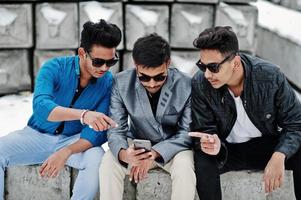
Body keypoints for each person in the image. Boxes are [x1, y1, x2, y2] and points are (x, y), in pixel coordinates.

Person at [0, 19, 121, 200]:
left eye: (111, 61)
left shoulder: (108, 82)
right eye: (98, 61)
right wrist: (83, 115)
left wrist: (66, 151)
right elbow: (41, 107)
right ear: (82, 53)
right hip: (35, 135)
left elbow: (98, 133)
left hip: (75, 141)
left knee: (97, 158)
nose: (104, 68)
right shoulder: (54, 68)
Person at [189, 26, 301, 200]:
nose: (207, 75)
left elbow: (295, 123)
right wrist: (212, 143)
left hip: (265, 147)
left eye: (213, 67)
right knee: (203, 157)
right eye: (202, 66)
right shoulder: (200, 83)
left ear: (235, 62)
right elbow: (203, 129)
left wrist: (280, 154)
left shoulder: (270, 77)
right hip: (226, 151)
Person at [99, 33, 196, 200]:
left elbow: (186, 133)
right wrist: (124, 154)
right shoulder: (120, 82)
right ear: (136, 65)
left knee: (185, 166)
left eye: (159, 77)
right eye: (144, 77)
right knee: (108, 162)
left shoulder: (186, 84)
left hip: (174, 148)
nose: (152, 84)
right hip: (136, 144)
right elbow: (116, 129)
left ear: (167, 63)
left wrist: (156, 154)